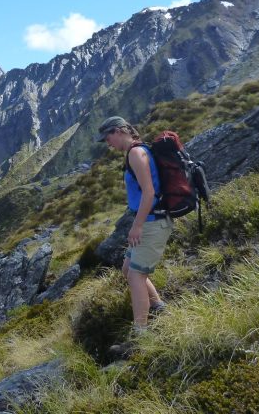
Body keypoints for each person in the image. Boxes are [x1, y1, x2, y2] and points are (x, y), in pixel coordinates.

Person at [95, 116, 171, 349]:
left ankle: (140, 336)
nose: (108, 144)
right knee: (128, 268)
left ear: (118, 131)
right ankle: (158, 307)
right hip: (148, 220)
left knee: (136, 276)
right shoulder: (137, 152)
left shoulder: (136, 154)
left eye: (108, 138)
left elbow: (148, 193)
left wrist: (136, 226)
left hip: (152, 223)